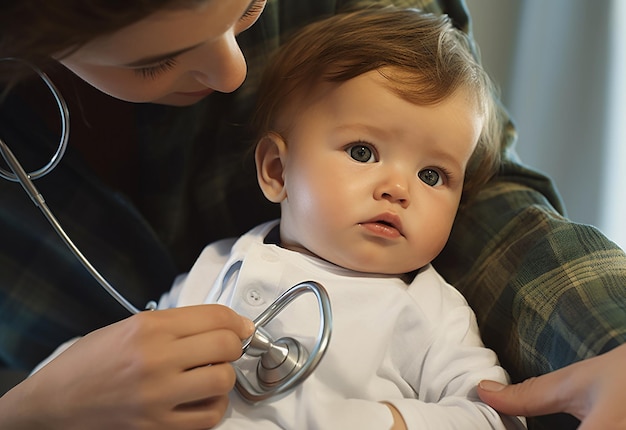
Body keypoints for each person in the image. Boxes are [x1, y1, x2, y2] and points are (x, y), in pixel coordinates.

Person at [0, 0, 623, 429]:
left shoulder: (428, 313)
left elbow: (492, 413)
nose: (234, 71)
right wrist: (37, 405)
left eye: (247, 10)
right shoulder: (223, 266)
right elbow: (120, 358)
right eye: (153, 61)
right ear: (275, 171)